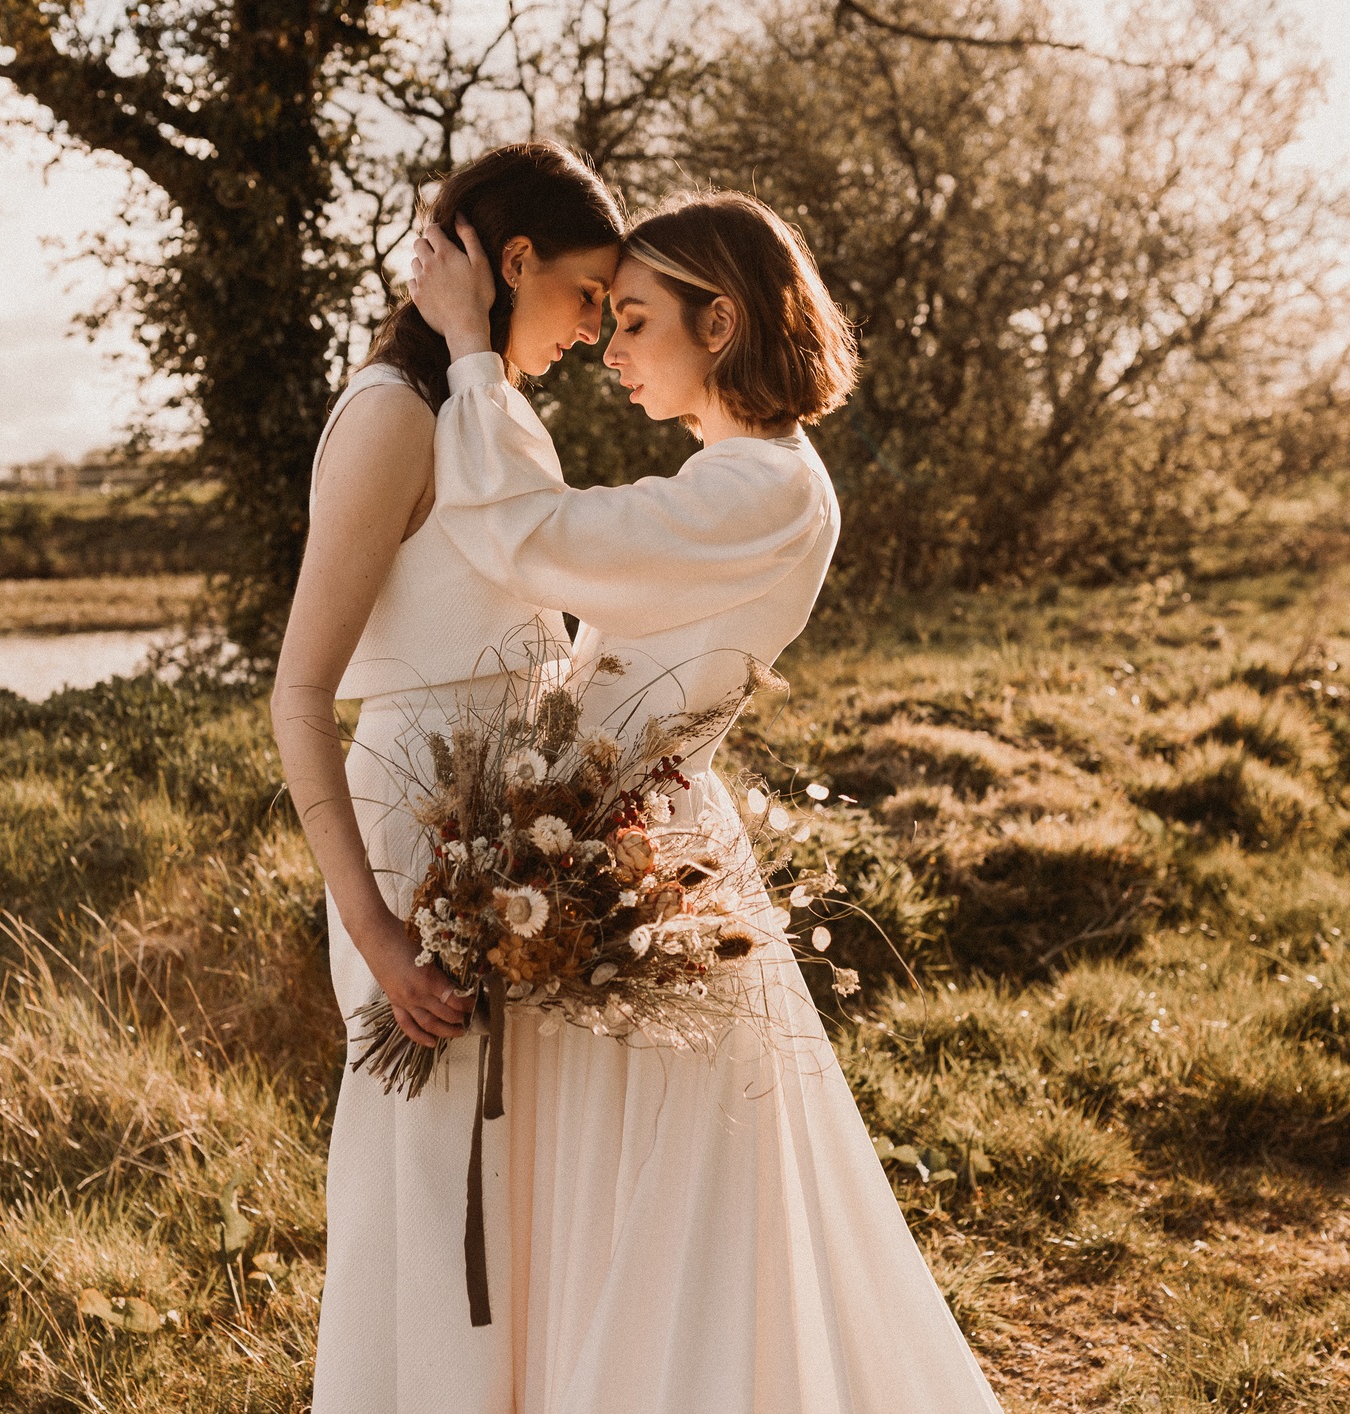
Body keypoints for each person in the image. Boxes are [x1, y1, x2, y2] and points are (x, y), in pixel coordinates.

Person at [404, 189, 1006, 1411]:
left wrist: (473, 354)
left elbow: (534, 537)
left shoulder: (766, 490)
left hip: (645, 860)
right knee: (621, 1183)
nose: (611, 351)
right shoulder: (727, 478)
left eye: (634, 321)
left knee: (676, 1207)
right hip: (616, 854)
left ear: (719, 321)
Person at [267, 141, 623, 1413]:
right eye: (588, 294)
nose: (597, 327)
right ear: (511, 263)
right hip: (417, 847)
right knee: (429, 1186)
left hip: (515, 838)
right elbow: (299, 696)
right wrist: (377, 933)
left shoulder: (490, 407)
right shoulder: (391, 420)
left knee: (518, 1183)